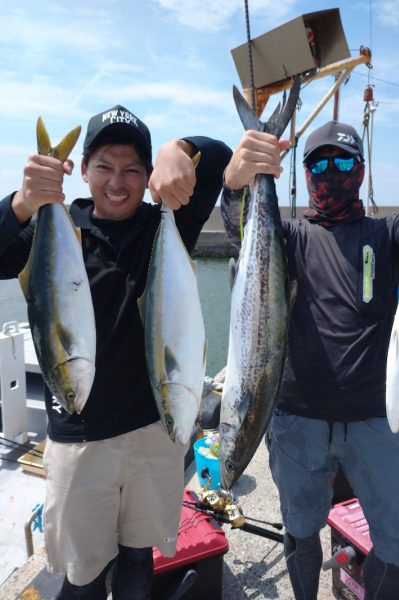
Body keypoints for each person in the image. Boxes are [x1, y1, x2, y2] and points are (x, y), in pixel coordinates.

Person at [0, 104, 231, 599]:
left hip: (154, 432)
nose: (117, 180)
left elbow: (221, 160)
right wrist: (22, 201)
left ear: (149, 176)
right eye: (104, 166)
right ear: (82, 170)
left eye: (133, 168)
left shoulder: (166, 225)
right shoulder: (53, 225)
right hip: (81, 441)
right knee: (81, 577)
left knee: (137, 562)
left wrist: (182, 149)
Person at [221, 120, 399, 600]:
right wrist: (235, 182)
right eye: (319, 164)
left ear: (361, 171)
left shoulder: (387, 232)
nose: (331, 173)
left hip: (375, 419)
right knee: (301, 528)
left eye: (343, 162)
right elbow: (239, 226)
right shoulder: (288, 237)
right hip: (296, 420)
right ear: (305, 176)